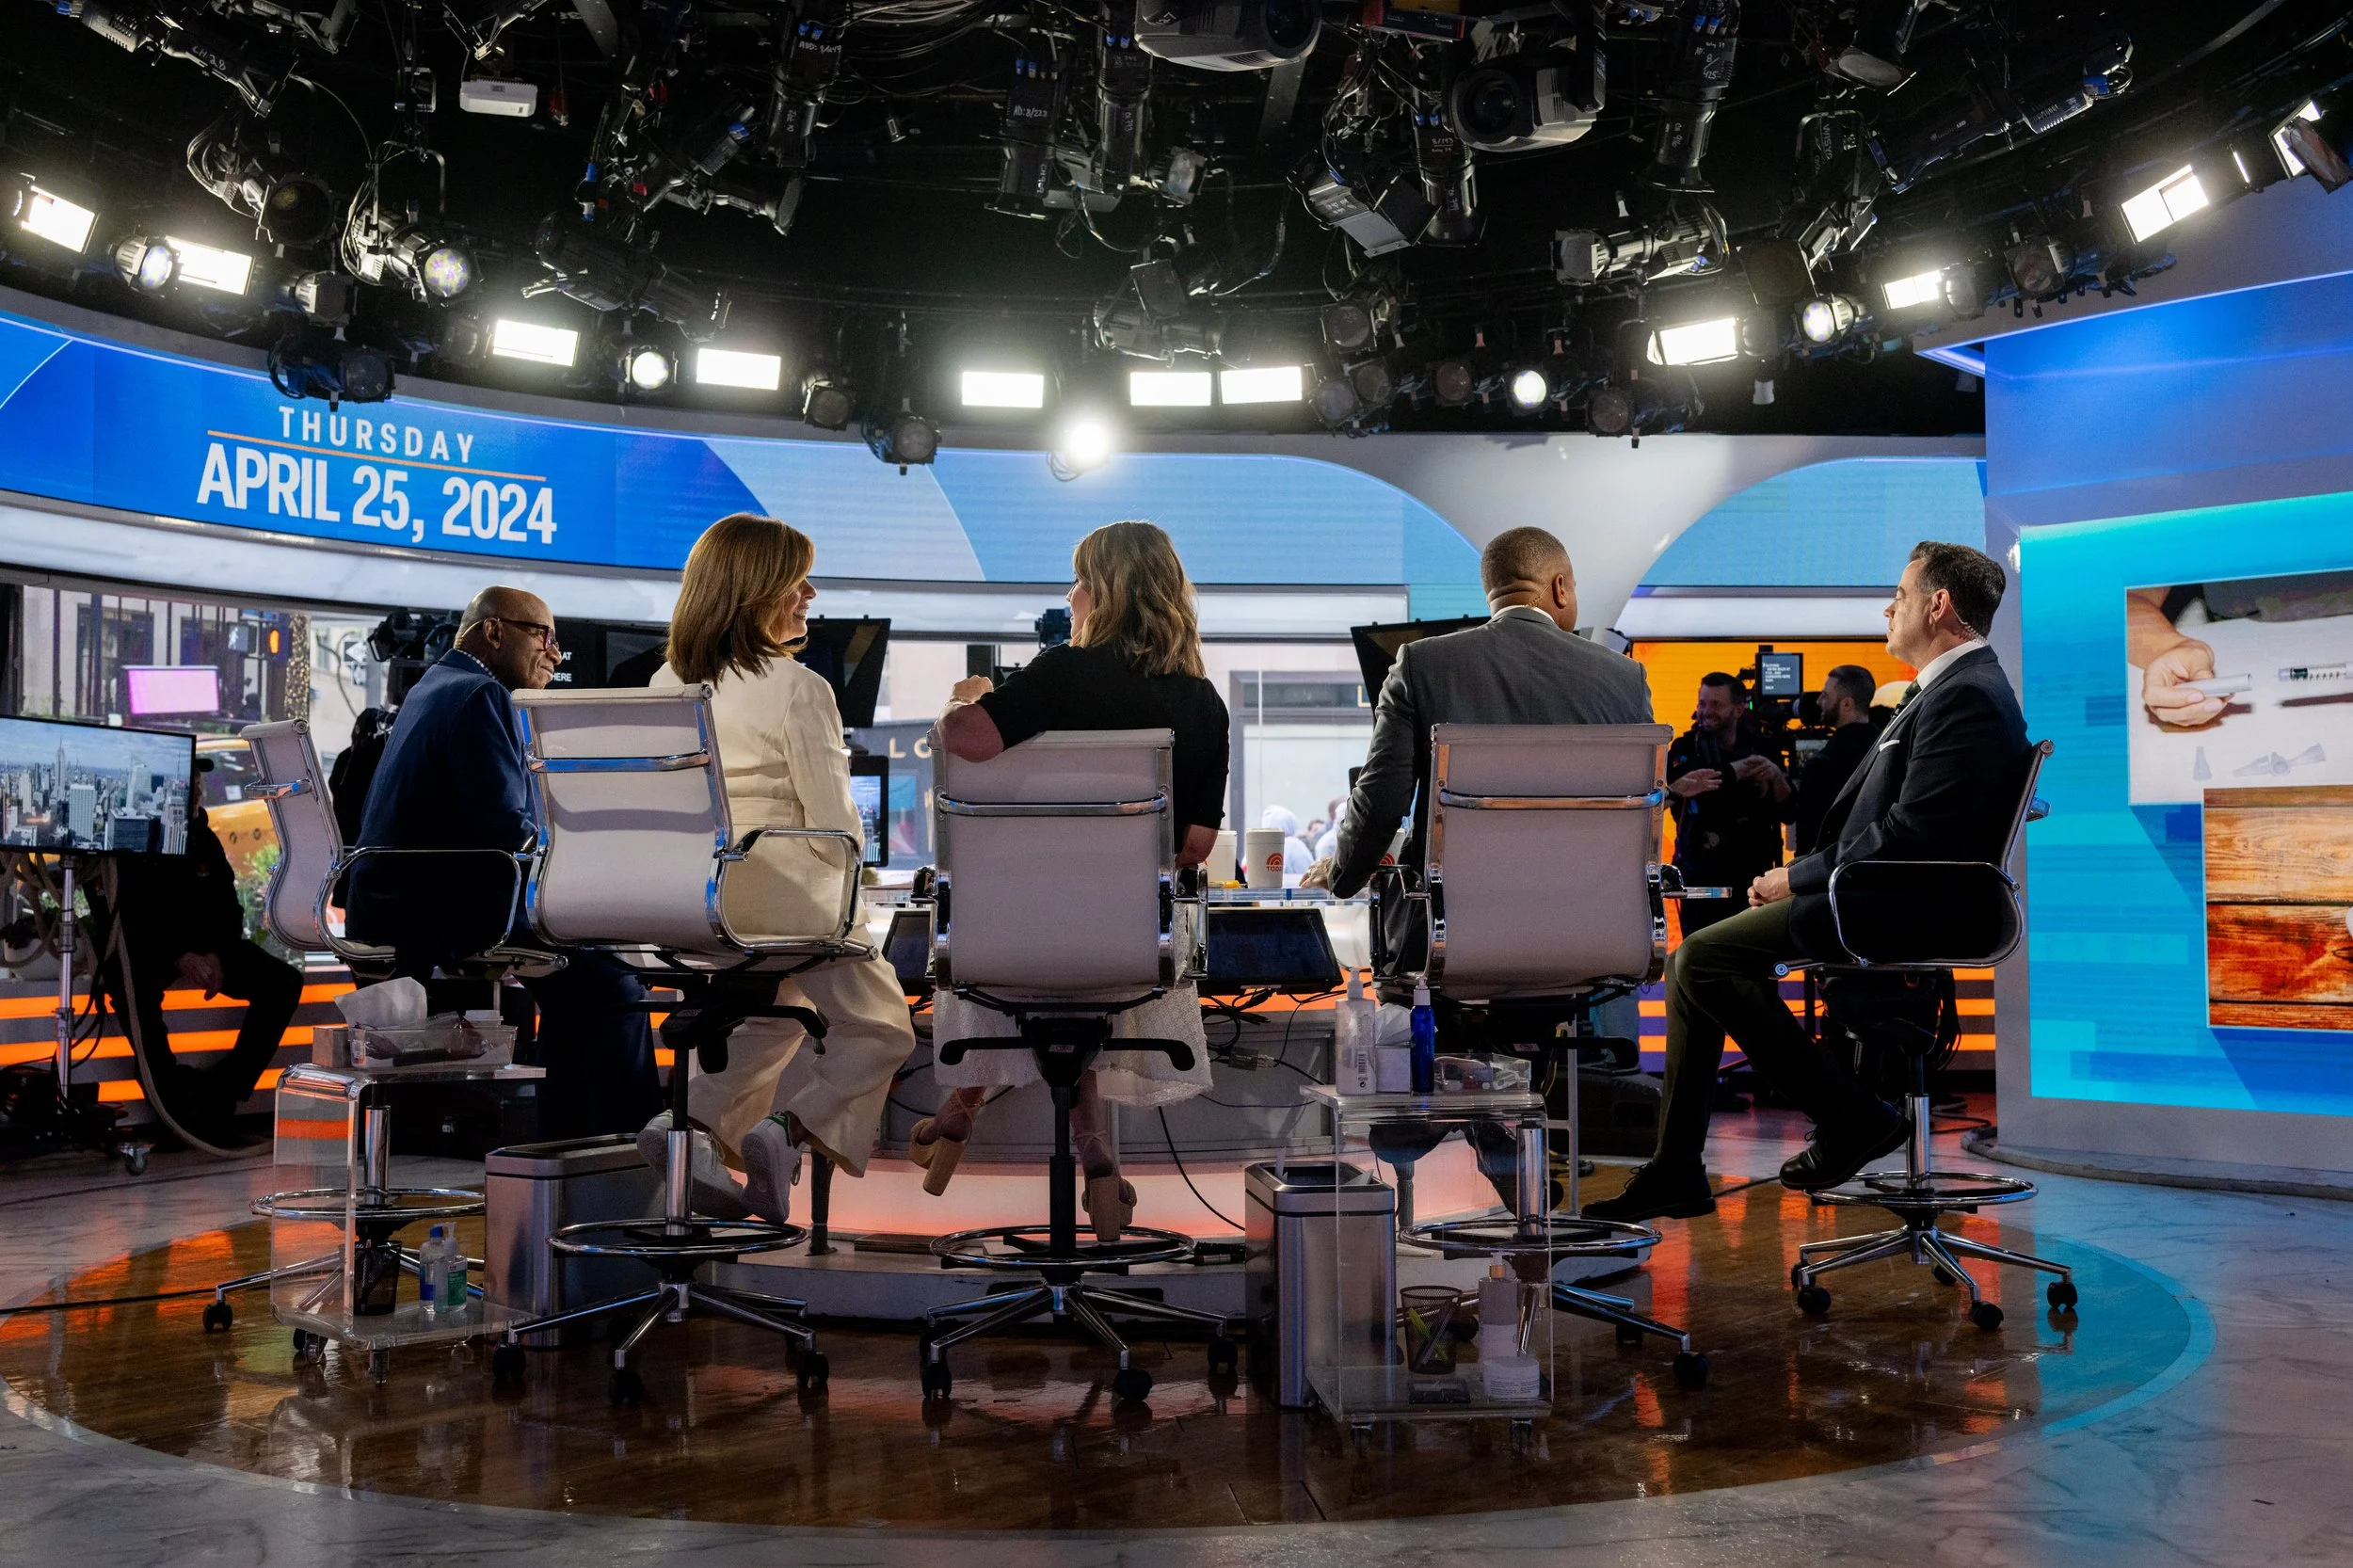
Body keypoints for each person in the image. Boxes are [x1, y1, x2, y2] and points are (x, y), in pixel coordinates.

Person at [1592, 541, 2031, 1224]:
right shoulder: (1952, 689)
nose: (1888, 609)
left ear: (1939, 605)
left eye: (1901, 595)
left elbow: (1911, 834)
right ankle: (1678, 1168)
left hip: (1902, 902)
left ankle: (1850, 1116)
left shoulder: (1967, 695)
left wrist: (1796, 878)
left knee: (1701, 958)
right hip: (1886, 891)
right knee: (1690, 965)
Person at [919, 520, 1228, 1242]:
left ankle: (962, 1111)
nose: (1070, 595)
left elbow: (962, 739)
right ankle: (1095, 1156)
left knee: (1035, 938)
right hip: (1134, 949)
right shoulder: (1202, 701)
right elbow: (1195, 846)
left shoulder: (1060, 673)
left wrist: (966, 696)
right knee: (1081, 966)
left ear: (1105, 592)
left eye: (1081, 581)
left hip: (1010, 943)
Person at [636, 514, 920, 1222]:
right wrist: (862, 915)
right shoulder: (798, 686)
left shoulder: (666, 679)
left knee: (782, 1012)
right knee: (884, 1026)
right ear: (757, 591)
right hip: (782, 905)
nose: (810, 595)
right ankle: (784, 1132)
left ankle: (690, 1126)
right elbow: (836, 831)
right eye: (798, 582)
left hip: (690, 907)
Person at [346, 585, 662, 1141]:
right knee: (615, 982)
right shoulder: (481, 694)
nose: (556, 653)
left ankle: (568, 1149)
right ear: (493, 631)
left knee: (576, 979)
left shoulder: (436, 685)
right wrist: (595, 859)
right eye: (543, 635)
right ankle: (624, 1154)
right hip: (445, 906)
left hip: (401, 899)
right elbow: (505, 829)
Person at [1308, 525, 1653, 901]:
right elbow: (1644, 809)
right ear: (1560, 588)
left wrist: (1341, 875)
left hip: (1455, 917)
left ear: (1493, 593)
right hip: (1589, 911)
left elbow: (1382, 803)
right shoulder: (1626, 678)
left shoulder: (1421, 666)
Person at [98, 768, 302, 1147]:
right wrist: (179, 955)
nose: (196, 788)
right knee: (132, 990)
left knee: (284, 982)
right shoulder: (138, 837)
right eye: (188, 780)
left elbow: (229, 908)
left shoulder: (203, 838)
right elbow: (134, 914)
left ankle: (225, 1090)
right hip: (152, 950)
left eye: (197, 782)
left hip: (210, 949)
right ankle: (171, 1105)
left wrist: (217, 955)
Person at [1665, 672, 1790, 938]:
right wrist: (1737, 771)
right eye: (1702, 703)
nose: (1706, 711)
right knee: (1701, 951)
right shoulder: (1685, 749)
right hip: (1701, 877)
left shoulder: (1762, 748)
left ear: (1738, 709)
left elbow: (1790, 811)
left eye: (1716, 704)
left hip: (1754, 878)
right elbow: (1701, 785)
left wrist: (1776, 777)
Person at [1791, 664, 1880, 855]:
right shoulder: (1887, 747)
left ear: (1847, 704)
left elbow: (1810, 838)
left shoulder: (1822, 764)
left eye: (1825, 695)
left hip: (1832, 864)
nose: (1818, 701)